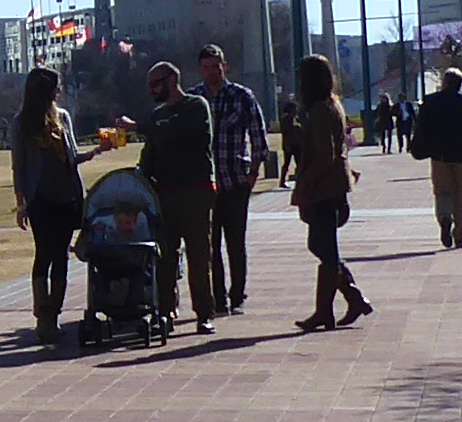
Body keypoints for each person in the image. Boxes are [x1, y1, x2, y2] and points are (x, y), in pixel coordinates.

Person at [288, 51, 371, 331]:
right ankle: (353, 297)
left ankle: (326, 310)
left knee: (326, 250)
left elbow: (326, 155)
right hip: (329, 187)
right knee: (322, 247)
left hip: (325, 189)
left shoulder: (322, 111)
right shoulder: (328, 105)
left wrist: (305, 185)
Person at [139, 58, 220, 334]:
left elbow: (181, 133)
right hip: (165, 194)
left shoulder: (196, 106)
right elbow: (149, 154)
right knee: (164, 258)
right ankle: (165, 312)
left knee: (199, 256)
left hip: (195, 191)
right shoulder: (157, 117)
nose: (152, 90)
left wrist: (140, 127)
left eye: (155, 84)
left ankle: (204, 313)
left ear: (172, 80)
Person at [9, 64, 85, 342]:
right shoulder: (22, 123)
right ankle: (42, 313)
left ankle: (54, 312)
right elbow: (18, 166)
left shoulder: (63, 118)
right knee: (44, 253)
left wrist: (99, 151)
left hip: (67, 195)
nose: (59, 91)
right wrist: (21, 204)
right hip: (40, 197)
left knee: (62, 255)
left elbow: (73, 157)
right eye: (55, 86)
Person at [197, 43, 272, 317]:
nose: (211, 72)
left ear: (224, 66)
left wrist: (253, 172)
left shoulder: (241, 96)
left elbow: (258, 135)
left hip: (235, 180)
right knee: (210, 245)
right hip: (206, 183)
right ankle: (218, 299)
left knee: (235, 242)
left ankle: (237, 294)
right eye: (205, 68)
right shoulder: (195, 99)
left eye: (215, 67)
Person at [409, 62, 462, 248]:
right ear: (460, 84)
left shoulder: (430, 102)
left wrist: (419, 148)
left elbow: (421, 129)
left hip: (439, 156)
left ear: (444, 83)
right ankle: (459, 234)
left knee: (442, 193)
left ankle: (445, 218)